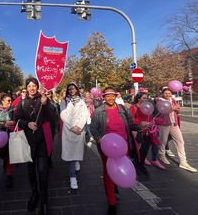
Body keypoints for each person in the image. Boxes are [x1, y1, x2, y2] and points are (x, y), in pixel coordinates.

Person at [89, 87, 144, 215]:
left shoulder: (123, 109)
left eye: (112, 95)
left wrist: (141, 125)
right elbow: (93, 128)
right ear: (103, 97)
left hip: (123, 147)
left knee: (118, 170)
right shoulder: (98, 112)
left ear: (115, 96)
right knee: (108, 172)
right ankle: (111, 202)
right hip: (107, 149)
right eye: (107, 96)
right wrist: (99, 139)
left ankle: (115, 187)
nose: (110, 98)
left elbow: (131, 125)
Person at [15, 77, 55, 214]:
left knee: (43, 171)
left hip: (42, 141)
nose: (32, 88)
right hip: (28, 142)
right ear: (27, 87)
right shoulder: (22, 102)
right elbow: (17, 120)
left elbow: (51, 117)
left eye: (34, 85)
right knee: (31, 171)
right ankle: (35, 193)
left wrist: (45, 104)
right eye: (30, 86)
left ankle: (44, 199)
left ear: (37, 87)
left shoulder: (43, 99)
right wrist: (27, 124)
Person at [156, 88, 197, 172]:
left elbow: (178, 110)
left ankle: (183, 162)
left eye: (169, 93)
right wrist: (173, 108)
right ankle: (162, 155)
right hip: (164, 124)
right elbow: (162, 111)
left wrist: (175, 108)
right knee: (163, 141)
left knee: (180, 141)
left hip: (174, 124)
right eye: (166, 93)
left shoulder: (173, 100)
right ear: (162, 94)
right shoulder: (159, 100)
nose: (168, 95)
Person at [60, 82, 90, 190]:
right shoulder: (64, 101)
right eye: (70, 89)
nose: (72, 91)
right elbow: (63, 114)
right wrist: (73, 127)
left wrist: (79, 126)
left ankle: (76, 160)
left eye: (73, 89)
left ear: (77, 89)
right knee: (69, 155)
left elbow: (85, 114)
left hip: (79, 129)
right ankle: (72, 176)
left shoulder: (81, 101)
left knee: (76, 152)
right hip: (69, 129)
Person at [129, 92, 165, 170]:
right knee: (137, 149)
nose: (146, 100)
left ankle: (141, 164)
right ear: (139, 99)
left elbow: (151, 116)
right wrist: (141, 122)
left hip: (148, 131)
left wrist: (153, 121)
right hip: (139, 130)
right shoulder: (133, 107)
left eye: (147, 98)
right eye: (144, 98)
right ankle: (135, 163)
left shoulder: (147, 107)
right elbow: (131, 119)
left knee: (145, 149)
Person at [0, 93, 15, 188]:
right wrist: (3, 124)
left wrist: (13, 122)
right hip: (0, 137)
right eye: (8, 101)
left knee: (10, 156)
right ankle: (5, 160)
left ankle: (9, 175)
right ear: (3, 102)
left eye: (11, 100)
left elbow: (17, 120)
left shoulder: (13, 110)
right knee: (2, 154)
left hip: (11, 136)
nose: (10, 102)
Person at [45, 90, 60, 168]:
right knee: (44, 143)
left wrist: (57, 124)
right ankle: (46, 158)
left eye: (49, 93)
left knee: (50, 142)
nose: (48, 95)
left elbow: (57, 113)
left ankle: (49, 158)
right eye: (46, 93)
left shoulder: (54, 102)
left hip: (52, 124)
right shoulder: (42, 102)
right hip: (44, 125)